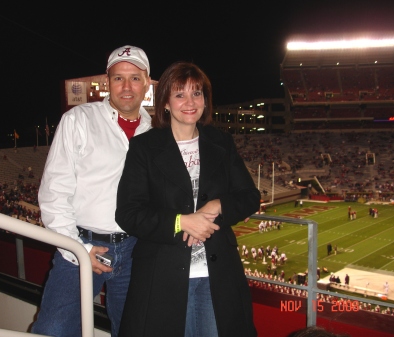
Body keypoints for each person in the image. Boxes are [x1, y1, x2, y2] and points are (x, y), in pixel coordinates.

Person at [115, 62, 260, 337]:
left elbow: (250, 196)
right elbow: (129, 213)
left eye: (197, 93)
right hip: (163, 276)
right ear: (166, 103)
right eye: (180, 94)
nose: (190, 102)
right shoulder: (144, 148)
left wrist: (218, 205)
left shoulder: (221, 142)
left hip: (217, 275)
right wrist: (182, 222)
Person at [31, 45, 152, 337]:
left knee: (136, 331)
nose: (127, 86)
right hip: (83, 244)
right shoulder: (79, 120)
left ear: (146, 82)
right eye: (118, 78)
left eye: (135, 78)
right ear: (107, 82)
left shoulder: (156, 128)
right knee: (53, 331)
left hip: (138, 247)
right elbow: (53, 193)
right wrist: (78, 250)